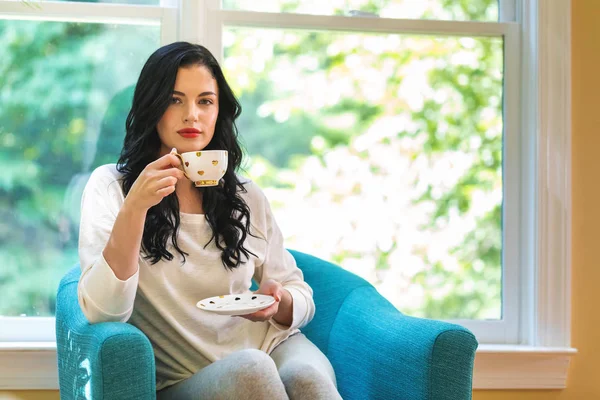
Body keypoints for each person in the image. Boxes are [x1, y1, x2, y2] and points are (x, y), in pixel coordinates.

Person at [77, 42, 342, 399]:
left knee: (307, 379)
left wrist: (281, 304)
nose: (192, 115)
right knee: (251, 370)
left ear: (219, 111)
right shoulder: (112, 187)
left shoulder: (245, 194)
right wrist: (135, 207)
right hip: (188, 379)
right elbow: (103, 311)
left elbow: (297, 290)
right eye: (175, 100)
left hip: (273, 346)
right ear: (151, 106)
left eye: (205, 101)